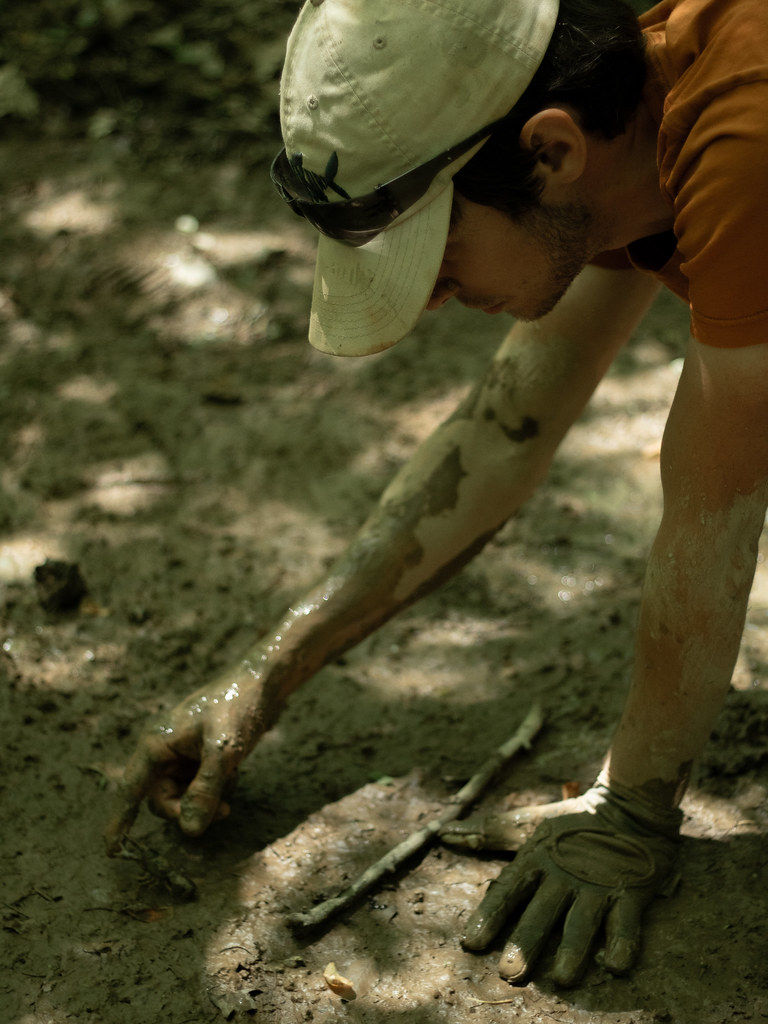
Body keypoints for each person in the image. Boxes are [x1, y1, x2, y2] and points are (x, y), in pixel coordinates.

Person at [105, 0, 768, 988]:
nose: (428, 301)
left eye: (439, 258)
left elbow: (712, 505)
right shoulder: (613, 99)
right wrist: (272, 667)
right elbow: (508, 426)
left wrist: (627, 814)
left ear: (548, 152)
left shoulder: (743, 144)